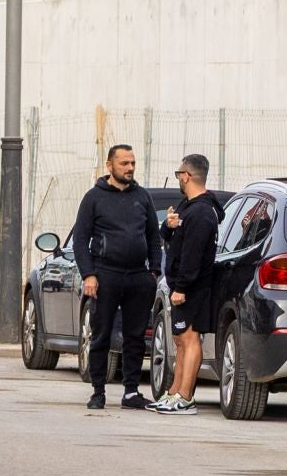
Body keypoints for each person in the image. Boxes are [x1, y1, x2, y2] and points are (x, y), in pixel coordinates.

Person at [70, 144, 160, 410]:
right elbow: (80, 241)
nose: (130, 168)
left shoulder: (142, 197)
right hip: (105, 275)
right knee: (102, 335)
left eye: (132, 163)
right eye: (124, 163)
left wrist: (153, 272)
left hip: (137, 277)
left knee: (134, 337)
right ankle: (98, 391)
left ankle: (131, 392)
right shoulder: (94, 198)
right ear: (110, 166)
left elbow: (153, 237)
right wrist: (89, 274)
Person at [150, 153, 219, 414]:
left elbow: (193, 254)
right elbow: (170, 237)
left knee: (190, 339)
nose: (178, 178)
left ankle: (186, 396)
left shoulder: (201, 212)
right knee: (180, 339)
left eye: (180, 174)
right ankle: (173, 392)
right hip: (182, 284)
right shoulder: (187, 206)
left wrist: (182, 287)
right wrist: (168, 227)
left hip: (192, 287)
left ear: (187, 176)